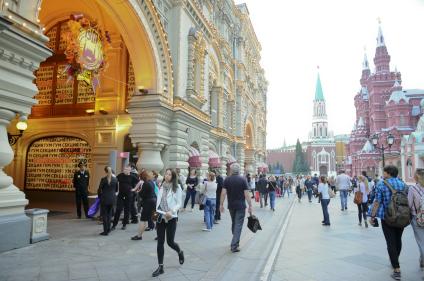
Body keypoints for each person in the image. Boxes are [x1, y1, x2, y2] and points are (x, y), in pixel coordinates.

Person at [369, 165, 407, 280]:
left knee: (390, 242)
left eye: (384, 172)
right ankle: (395, 259)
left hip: (388, 218)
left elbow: (377, 202)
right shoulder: (403, 184)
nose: (383, 174)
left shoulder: (382, 184)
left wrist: (372, 216)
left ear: (388, 173)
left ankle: (396, 269)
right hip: (402, 216)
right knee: (398, 240)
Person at [152, 169, 184, 277]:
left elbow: (179, 203)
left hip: (171, 217)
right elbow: (158, 201)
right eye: (166, 173)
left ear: (173, 176)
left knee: (170, 242)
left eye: (170, 174)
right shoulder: (161, 185)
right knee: (160, 242)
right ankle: (160, 267)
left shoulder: (177, 187)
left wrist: (172, 211)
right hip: (161, 216)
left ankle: (179, 252)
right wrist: (156, 213)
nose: (167, 176)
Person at [220, 163, 253, 253]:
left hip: (231, 206)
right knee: (238, 225)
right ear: (239, 170)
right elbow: (247, 194)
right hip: (241, 206)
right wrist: (250, 205)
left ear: (231, 170)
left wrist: (221, 204)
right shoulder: (243, 180)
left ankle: (235, 240)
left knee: (234, 223)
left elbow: (223, 193)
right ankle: (234, 245)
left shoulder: (227, 180)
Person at [131, 170, 157, 240]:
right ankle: (159, 235)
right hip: (154, 201)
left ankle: (139, 236)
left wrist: (138, 192)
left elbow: (142, 194)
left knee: (143, 220)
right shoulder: (151, 182)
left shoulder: (146, 183)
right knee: (154, 219)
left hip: (148, 203)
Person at [112, 166, 138, 230]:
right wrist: (116, 191)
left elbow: (140, 182)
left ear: (130, 170)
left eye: (127, 169)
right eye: (124, 169)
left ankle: (124, 224)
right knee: (118, 209)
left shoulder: (132, 176)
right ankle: (114, 225)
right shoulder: (120, 175)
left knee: (127, 210)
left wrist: (134, 189)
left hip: (128, 195)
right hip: (120, 195)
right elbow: (115, 181)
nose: (125, 170)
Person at [408, 168, 424, 269]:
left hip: (417, 218)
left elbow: (409, 204)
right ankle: (422, 260)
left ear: (416, 177)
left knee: (421, 242)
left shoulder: (412, 189)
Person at [97, 166, 118, 235]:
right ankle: (108, 229)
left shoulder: (103, 179)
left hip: (105, 199)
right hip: (112, 199)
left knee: (105, 215)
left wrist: (100, 197)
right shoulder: (115, 179)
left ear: (105, 172)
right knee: (109, 215)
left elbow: (99, 189)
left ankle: (105, 231)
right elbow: (116, 190)